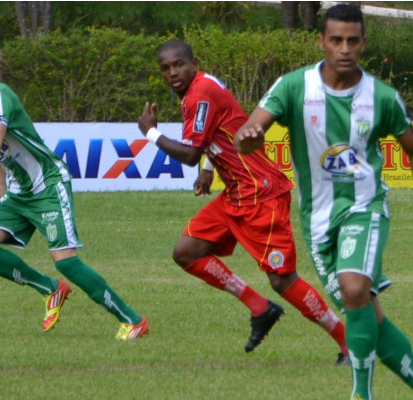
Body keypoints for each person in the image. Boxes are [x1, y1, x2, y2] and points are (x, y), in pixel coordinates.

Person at [234, 4, 413, 400]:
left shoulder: (382, 97)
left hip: (364, 208)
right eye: (335, 40)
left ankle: (361, 394)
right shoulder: (293, 87)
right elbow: (250, 132)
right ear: (321, 41)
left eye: (353, 40)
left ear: (364, 43)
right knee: (367, 317)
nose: (344, 48)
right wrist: (250, 137)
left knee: (354, 288)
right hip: (317, 221)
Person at [0, 41, 148, 341]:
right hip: (19, 190)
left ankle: (133, 320)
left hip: (47, 184)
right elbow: (0, 148)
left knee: (68, 263)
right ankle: (51, 288)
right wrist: (1, 185)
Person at [138, 39, 350, 363]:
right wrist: (210, 169)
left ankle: (349, 343)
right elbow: (226, 128)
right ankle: (259, 306)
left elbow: (190, 152)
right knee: (186, 252)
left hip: (260, 194)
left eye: (178, 64)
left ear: (193, 62)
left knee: (282, 279)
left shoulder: (199, 93)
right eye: (165, 68)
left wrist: (150, 133)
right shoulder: (201, 87)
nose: (172, 72)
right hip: (237, 192)